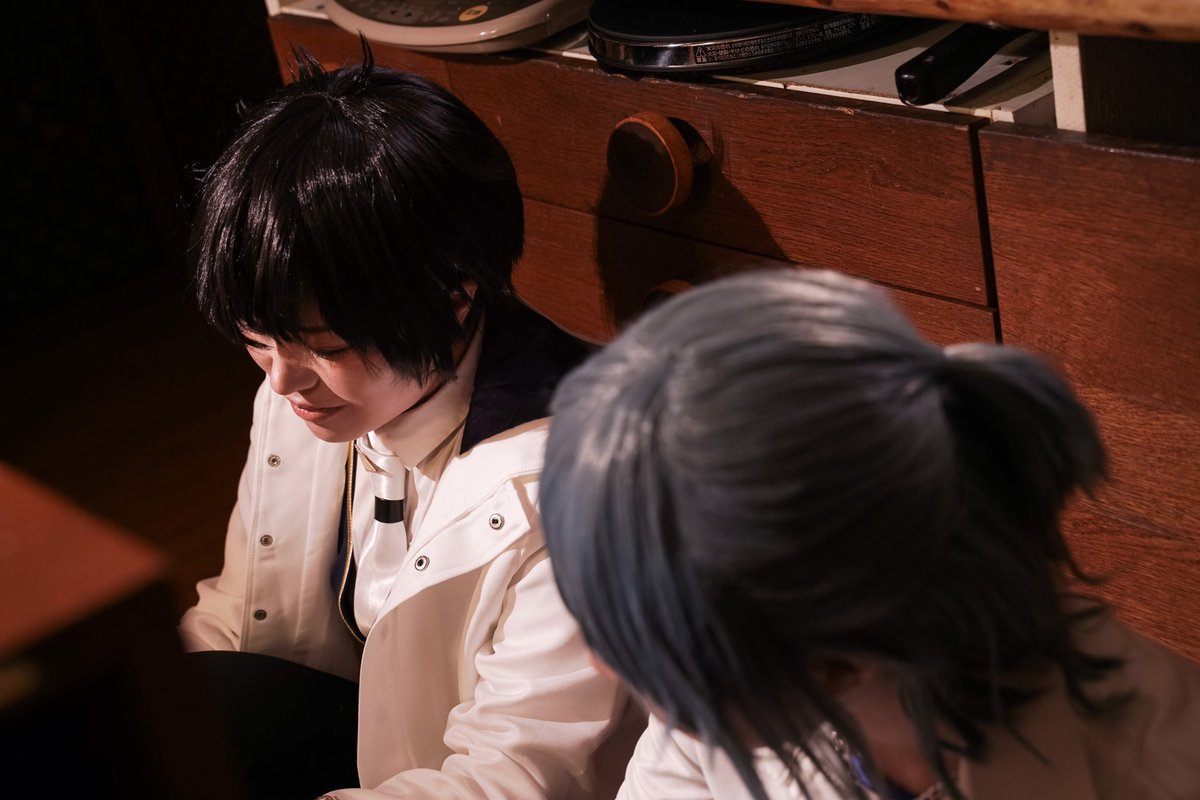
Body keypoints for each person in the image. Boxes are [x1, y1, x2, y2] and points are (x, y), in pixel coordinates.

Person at [539, 268, 1200, 800]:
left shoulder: (1158, 772)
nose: (601, 661)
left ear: (838, 664)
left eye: (634, 637)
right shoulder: (732, 693)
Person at [179, 45, 632, 800]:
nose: (281, 380)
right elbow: (240, 615)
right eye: (256, 338)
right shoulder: (307, 389)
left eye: (327, 347)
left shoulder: (580, 488)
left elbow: (514, 776)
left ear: (455, 295)